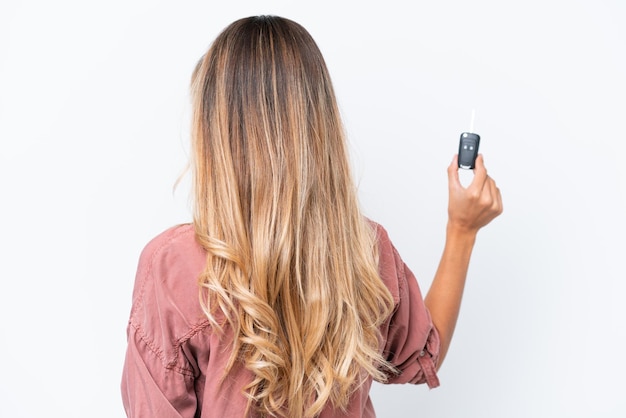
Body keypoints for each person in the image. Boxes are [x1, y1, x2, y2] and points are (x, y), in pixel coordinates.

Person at [121, 15, 502, 418]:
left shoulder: (173, 267)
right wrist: (462, 230)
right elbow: (424, 353)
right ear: (318, 125)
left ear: (214, 130)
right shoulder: (364, 251)